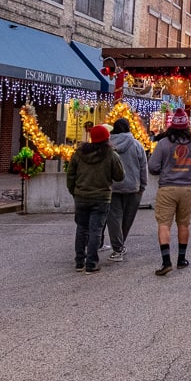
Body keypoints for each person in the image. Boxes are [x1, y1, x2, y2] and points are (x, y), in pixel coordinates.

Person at [147, 108, 191, 276]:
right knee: (184, 223)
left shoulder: (163, 144)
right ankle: (182, 259)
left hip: (167, 187)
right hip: (188, 187)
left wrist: (165, 169)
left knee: (164, 224)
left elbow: (152, 166)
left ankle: (166, 261)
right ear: (187, 126)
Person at [65, 125, 125, 273]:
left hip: (81, 195)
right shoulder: (111, 154)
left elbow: (70, 174)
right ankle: (91, 263)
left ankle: (79, 261)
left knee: (81, 228)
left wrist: (74, 191)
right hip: (101, 197)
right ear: (107, 138)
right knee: (95, 230)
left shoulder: (79, 153)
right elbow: (120, 176)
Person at [104, 117, 148, 261]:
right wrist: (142, 185)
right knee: (127, 218)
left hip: (112, 187)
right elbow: (143, 167)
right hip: (133, 187)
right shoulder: (137, 145)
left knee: (114, 218)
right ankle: (120, 244)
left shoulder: (107, 146)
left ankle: (118, 248)